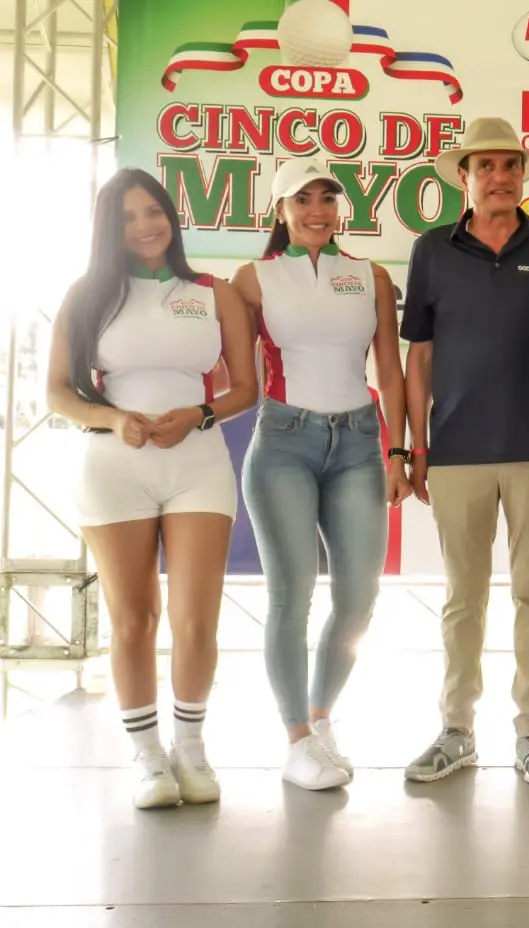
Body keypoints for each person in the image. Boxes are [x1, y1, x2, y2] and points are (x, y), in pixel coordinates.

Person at [399, 117, 529, 785]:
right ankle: (456, 728)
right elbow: (420, 355)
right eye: (485, 166)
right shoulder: (432, 250)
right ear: (463, 176)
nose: (499, 177)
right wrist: (415, 446)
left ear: (524, 175)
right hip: (456, 450)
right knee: (463, 598)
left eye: (510, 165)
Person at [46, 167, 258, 808]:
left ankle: (191, 751)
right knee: (134, 618)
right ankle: (147, 758)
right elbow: (56, 390)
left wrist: (199, 414)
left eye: (154, 211)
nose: (144, 225)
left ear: (172, 216)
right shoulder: (86, 295)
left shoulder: (213, 293)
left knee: (197, 619)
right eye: (128, 217)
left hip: (198, 462)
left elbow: (247, 388)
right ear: (111, 229)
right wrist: (114, 418)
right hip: (114, 467)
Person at [231, 158, 409, 791]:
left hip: (360, 443)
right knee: (291, 595)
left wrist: (399, 451)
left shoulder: (372, 277)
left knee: (359, 599)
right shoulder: (252, 279)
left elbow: (390, 370)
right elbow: (233, 370)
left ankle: (321, 716)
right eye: (301, 199)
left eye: (327, 198)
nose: (316, 211)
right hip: (283, 442)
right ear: (279, 211)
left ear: (342, 209)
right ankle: (296, 740)